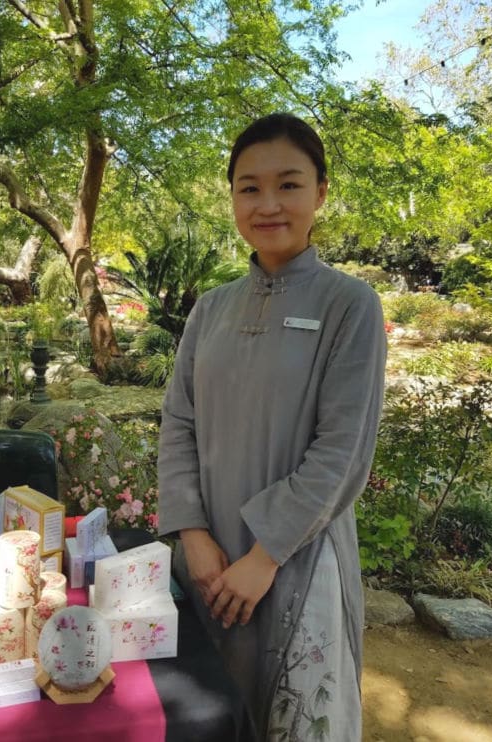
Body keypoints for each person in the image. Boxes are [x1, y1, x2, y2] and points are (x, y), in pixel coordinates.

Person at [157, 113, 387, 741]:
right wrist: (194, 536)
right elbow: (178, 422)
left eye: (288, 185)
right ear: (232, 197)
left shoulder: (350, 305)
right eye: (248, 188)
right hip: (208, 559)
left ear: (321, 192)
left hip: (296, 557)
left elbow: (342, 451)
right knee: (210, 712)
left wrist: (264, 558)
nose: (268, 204)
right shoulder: (211, 309)